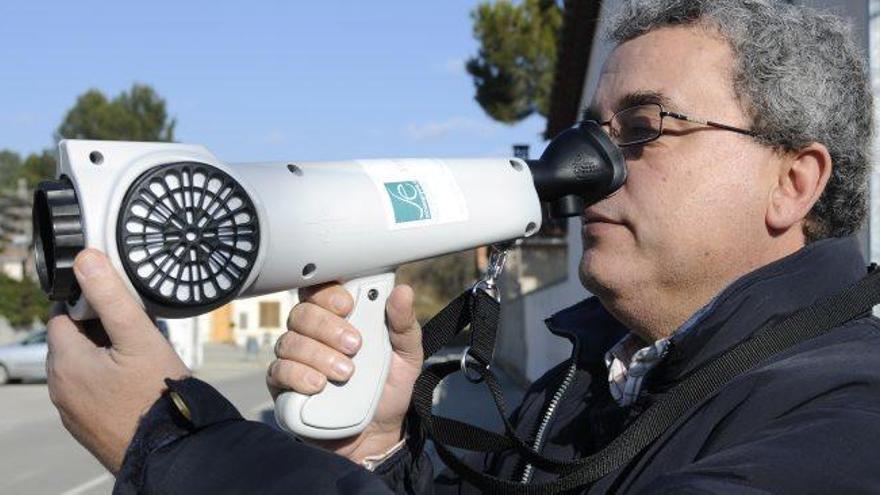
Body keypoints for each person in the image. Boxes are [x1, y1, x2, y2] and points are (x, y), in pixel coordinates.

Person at [47, 0, 880, 493]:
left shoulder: (850, 418)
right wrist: (378, 447)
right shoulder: (586, 386)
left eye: (646, 128)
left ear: (793, 183)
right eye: (591, 132)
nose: (585, 169)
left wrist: (171, 444)